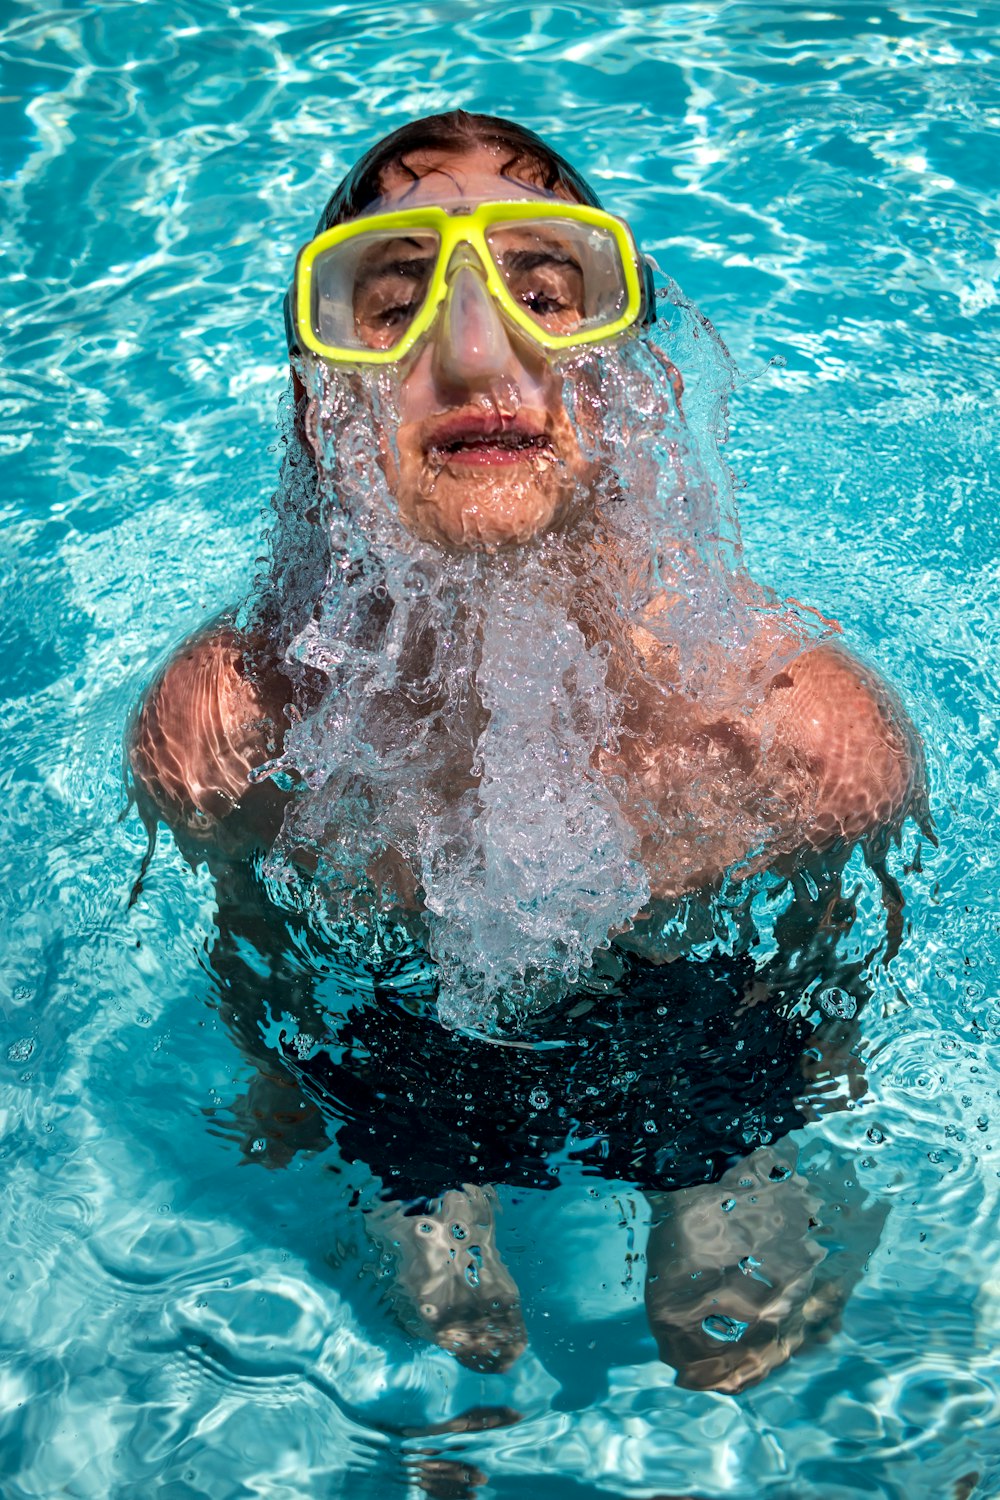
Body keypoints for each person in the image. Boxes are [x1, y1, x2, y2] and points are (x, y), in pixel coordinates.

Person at [128, 111, 922, 1390]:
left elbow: (825, 954)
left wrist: (820, 1079)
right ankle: (441, 1197)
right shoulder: (226, 725)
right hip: (388, 1029)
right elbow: (251, 930)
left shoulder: (801, 735)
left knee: (729, 1328)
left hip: (703, 1024)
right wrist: (278, 1070)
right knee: (442, 1336)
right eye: (393, 306)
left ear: (627, 388)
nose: (477, 346)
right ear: (319, 405)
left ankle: (706, 1172)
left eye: (546, 293)